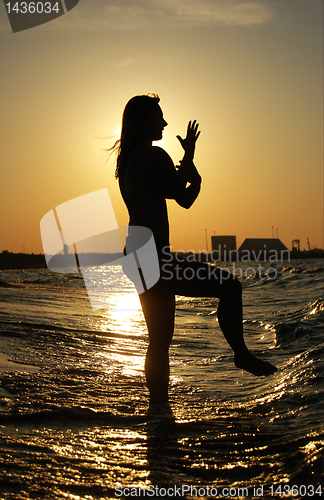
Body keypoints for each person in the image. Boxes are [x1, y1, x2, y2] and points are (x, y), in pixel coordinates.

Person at [110, 93, 277, 405]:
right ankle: (240, 354)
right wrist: (196, 173)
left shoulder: (128, 162)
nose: (164, 122)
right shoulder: (154, 155)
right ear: (144, 120)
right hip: (155, 254)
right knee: (230, 286)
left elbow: (170, 187)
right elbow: (185, 196)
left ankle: (159, 410)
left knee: (159, 339)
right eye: (158, 116)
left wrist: (187, 156)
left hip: (135, 253)